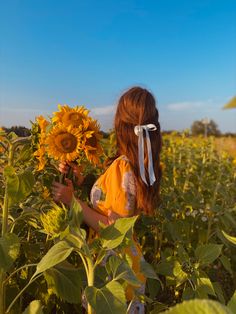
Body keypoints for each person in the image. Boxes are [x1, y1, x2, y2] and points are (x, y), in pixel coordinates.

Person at [52, 86, 162, 313]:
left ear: (121, 124)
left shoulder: (123, 167)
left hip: (112, 268)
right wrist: (84, 180)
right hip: (126, 262)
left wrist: (73, 202)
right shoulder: (139, 164)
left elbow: (113, 227)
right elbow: (113, 200)